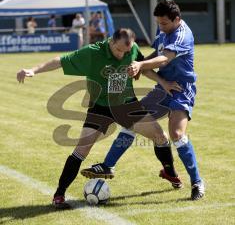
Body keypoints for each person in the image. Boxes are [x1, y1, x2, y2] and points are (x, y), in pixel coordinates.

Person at [16, 28, 181, 209]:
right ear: (111, 41)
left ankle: (170, 172)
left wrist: (162, 82)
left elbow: (142, 66)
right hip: (100, 108)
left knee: (161, 137)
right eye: (119, 50)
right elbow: (60, 61)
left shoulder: (130, 48)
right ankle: (59, 195)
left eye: (126, 52)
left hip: (126, 105)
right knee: (81, 150)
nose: (122, 55)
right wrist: (33, 70)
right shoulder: (93, 53)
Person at [81, 0, 205, 201]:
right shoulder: (164, 30)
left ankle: (197, 182)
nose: (160, 27)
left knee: (176, 133)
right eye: (158, 23)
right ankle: (108, 165)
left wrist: (141, 65)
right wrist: (141, 64)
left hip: (182, 88)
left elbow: (165, 58)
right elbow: (157, 53)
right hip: (163, 86)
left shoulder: (183, 34)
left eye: (164, 23)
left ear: (177, 19)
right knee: (133, 119)